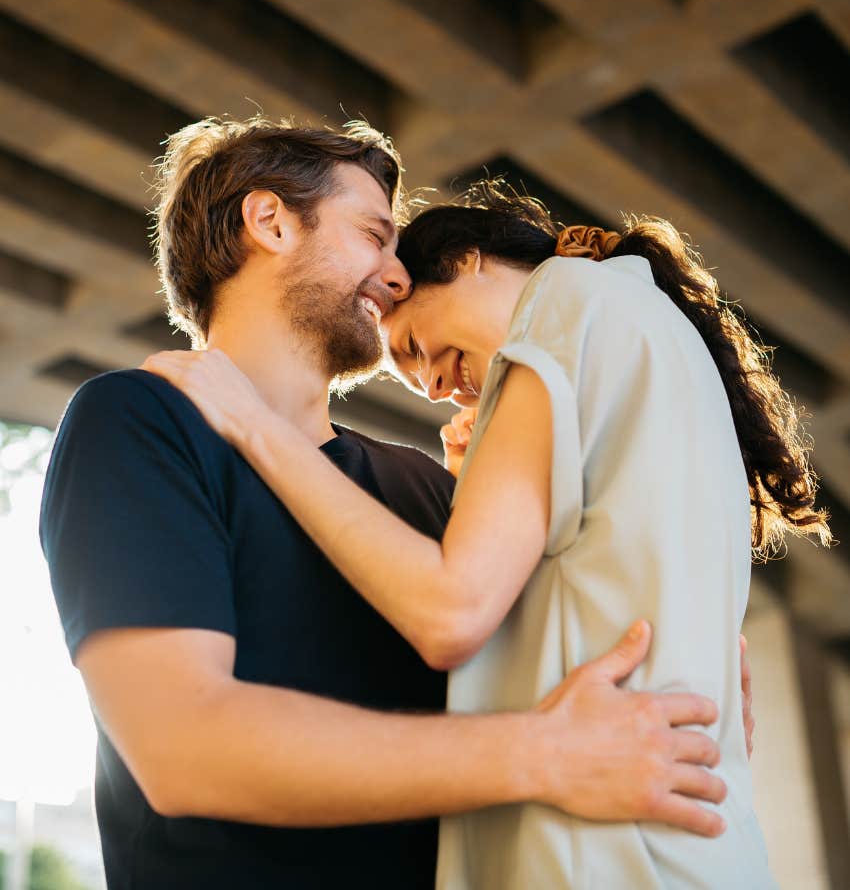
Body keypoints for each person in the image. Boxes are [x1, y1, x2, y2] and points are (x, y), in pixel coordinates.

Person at [43, 117, 740, 890]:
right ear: (270, 221)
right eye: (374, 234)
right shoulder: (141, 420)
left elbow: (572, 682)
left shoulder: (427, 487)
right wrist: (544, 753)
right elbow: (183, 750)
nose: (399, 272)